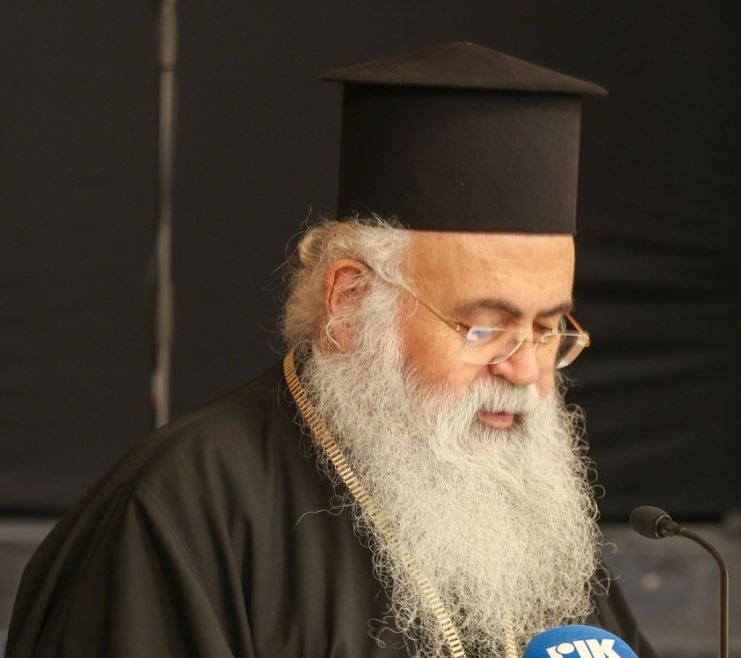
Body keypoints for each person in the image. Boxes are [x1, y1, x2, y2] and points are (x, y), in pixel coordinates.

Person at [6, 42, 656, 658]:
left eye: (548, 329)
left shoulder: (531, 529)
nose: (525, 370)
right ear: (350, 303)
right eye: (485, 328)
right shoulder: (176, 513)